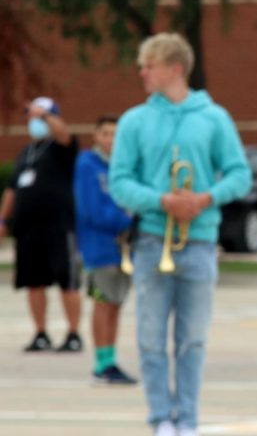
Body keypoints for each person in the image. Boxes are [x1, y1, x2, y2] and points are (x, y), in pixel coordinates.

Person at [109, 32, 251, 436]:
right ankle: (160, 420)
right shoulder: (134, 120)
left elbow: (240, 174)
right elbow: (119, 181)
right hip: (153, 240)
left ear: (174, 69)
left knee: (192, 339)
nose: (142, 72)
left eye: (148, 65)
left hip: (201, 241)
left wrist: (205, 198)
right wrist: (161, 200)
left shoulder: (214, 117)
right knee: (150, 338)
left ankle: (187, 419)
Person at [0, 97, 83, 353]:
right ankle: (40, 333)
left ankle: (72, 333)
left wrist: (46, 116)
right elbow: (12, 189)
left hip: (58, 226)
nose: (34, 122)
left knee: (66, 281)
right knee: (33, 281)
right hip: (28, 228)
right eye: (32, 117)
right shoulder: (26, 152)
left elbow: (64, 133)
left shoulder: (62, 148)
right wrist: (3, 220)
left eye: (41, 117)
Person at [74, 115, 139, 385]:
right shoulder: (87, 165)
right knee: (102, 303)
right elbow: (91, 209)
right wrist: (126, 219)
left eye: (116, 134)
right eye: (105, 134)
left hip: (124, 248)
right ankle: (101, 364)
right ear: (95, 136)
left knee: (116, 304)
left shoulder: (125, 166)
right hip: (99, 246)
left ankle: (110, 359)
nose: (111, 140)